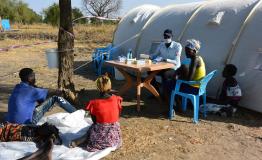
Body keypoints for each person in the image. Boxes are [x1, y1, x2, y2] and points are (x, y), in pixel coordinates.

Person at [69, 74, 122, 152]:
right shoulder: (117, 99)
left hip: (99, 139)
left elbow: (93, 121)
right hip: (114, 136)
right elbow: (117, 115)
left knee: (92, 130)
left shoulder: (93, 103)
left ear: (97, 87)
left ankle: (78, 141)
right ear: (110, 86)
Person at [6, 68, 77, 125]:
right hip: (27, 124)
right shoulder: (33, 91)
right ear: (29, 78)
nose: (35, 78)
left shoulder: (17, 87)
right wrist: (61, 91)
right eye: (33, 76)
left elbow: (37, 93)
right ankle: (78, 113)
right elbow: (50, 92)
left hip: (11, 124)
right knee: (56, 97)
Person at [149, 29, 182, 97]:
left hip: (174, 68)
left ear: (171, 36)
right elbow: (155, 54)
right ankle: (156, 93)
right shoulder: (161, 45)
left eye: (168, 36)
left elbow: (176, 62)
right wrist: (148, 56)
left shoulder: (177, 46)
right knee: (150, 72)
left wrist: (166, 60)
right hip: (163, 67)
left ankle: (166, 95)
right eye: (165, 36)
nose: (166, 38)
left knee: (165, 74)